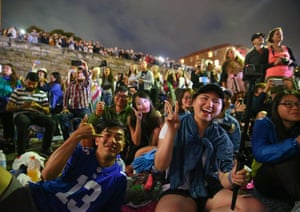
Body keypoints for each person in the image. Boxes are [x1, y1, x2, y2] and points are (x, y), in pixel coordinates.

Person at [154, 83, 265, 211]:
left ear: (222, 108)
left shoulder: (221, 137)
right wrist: (172, 133)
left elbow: (223, 177)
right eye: (205, 98)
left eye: (216, 101)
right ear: (194, 102)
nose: (210, 104)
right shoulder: (173, 124)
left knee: (254, 208)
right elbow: (160, 165)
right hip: (178, 187)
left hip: (210, 188)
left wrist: (233, 177)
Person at [0, 118, 127, 212]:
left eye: (118, 137)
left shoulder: (119, 179)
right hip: (34, 199)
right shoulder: (82, 153)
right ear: (97, 140)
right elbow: (47, 174)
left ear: (123, 146)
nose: (112, 140)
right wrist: (76, 136)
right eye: (107, 135)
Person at [251, 90, 300, 211]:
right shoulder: (264, 124)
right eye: (288, 104)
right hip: (269, 178)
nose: (295, 108)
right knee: (284, 163)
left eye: (299, 104)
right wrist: (295, 143)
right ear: (276, 106)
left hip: (294, 178)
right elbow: (260, 153)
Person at [6, 72, 55, 156]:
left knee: (51, 122)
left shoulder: (41, 93)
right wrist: (22, 106)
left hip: (36, 114)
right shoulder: (18, 92)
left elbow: (47, 110)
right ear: (25, 81)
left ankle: (45, 148)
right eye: (29, 83)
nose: (31, 86)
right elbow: (8, 108)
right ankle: (21, 152)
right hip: (21, 114)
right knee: (23, 121)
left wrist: (38, 106)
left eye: (34, 84)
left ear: (37, 83)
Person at [88, 85, 133, 165]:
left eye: (124, 96)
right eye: (118, 95)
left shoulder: (132, 112)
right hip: (105, 139)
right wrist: (97, 114)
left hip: (121, 142)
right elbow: (90, 123)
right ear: (114, 96)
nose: (120, 98)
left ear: (129, 99)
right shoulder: (107, 110)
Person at [59, 61, 91, 140]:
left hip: (83, 108)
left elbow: (87, 78)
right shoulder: (71, 85)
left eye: (81, 73)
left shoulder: (85, 84)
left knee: (88, 120)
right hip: (72, 109)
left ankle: (83, 140)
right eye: (78, 73)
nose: (79, 74)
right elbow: (66, 97)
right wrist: (65, 107)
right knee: (63, 117)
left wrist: (85, 69)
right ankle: (67, 139)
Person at [128, 91, 162, 161]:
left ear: (150, 101)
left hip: (152, 151)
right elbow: (136, 142)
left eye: (145, 101)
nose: (144, 105)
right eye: (139, 104)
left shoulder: (156, 117)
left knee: (157, 130)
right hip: (136, 152)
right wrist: (138, 120)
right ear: (135, 107)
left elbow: (162, 139)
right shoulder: (131, 119)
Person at [0, 63, 22, 149]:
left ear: (12, 71)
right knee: (5, 123)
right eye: (4, 68)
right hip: (1, 104)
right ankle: (5, 141)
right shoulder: (0, 79)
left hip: (10, 104)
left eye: (7, 68)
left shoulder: (16, 81)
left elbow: (18, 93)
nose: (4, 69)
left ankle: (11, 141)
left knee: (10, 123)